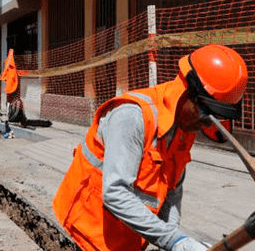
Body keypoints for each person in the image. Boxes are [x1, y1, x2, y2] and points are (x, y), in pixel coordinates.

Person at [52, 45, 248, 251]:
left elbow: (173, 192)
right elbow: (115, 193)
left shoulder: (185, 127)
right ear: (187, 92)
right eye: (206, 112)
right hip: (94, 232)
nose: (208, 124)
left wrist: (173, 241)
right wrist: (174, 240)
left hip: (131, 236)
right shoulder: (132, 116)